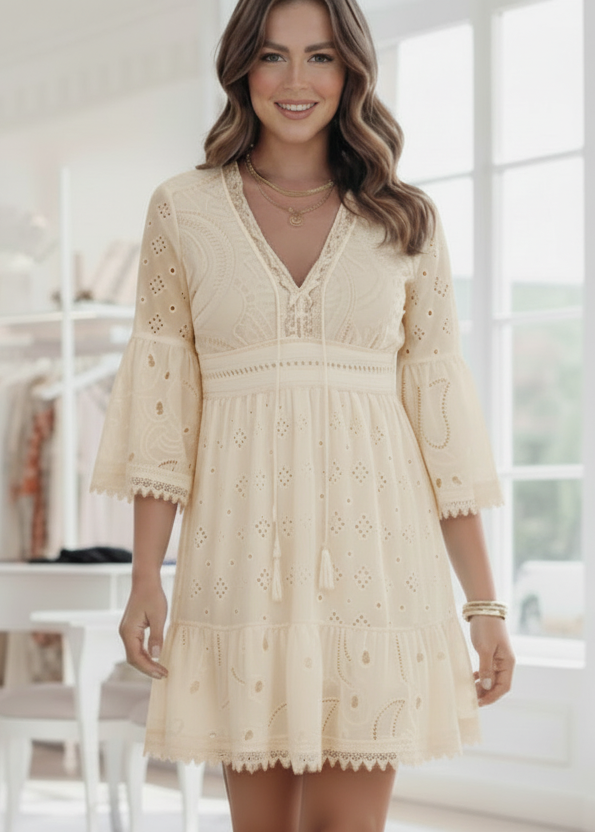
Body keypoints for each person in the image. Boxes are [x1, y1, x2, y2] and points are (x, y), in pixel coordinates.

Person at [90, 0, 515, 829]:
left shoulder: (406, 219)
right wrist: (147, 574)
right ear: (241, 67)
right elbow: (164, 410)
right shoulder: (182, 209)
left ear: (350, 69)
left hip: (376, 568)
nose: (295, 81)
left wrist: (485, 607)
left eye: (319, 57)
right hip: (240, 563)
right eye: (272, 56)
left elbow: (443, 437)